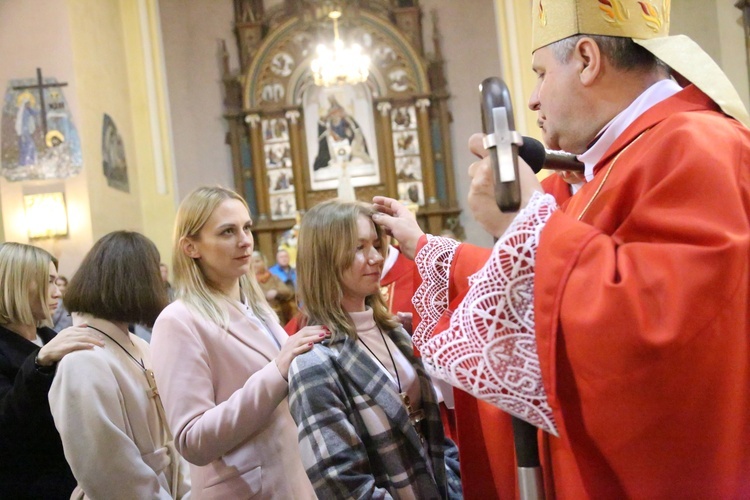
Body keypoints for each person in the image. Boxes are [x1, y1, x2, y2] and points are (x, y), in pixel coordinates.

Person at [372, 1, 750, 497]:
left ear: (588, 59)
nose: (531, 99)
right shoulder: (590, 171)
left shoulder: (699, 146)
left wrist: (526, 221)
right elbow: (549, 288)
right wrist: (427, 246)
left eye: (541, 73)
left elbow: (665, 336)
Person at [150, 186, 325, 498]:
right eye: (227, 231)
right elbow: (193, 439)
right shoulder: (178, 321)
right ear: (191, 247)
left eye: (247, 227)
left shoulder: (257, 307)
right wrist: (277, 371)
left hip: (294, 480)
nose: (245, 240)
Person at [287, 200, 462, 499]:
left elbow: (437, 434)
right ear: (325, 258)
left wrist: (453, 487)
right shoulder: (314, 361)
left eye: (375, 244)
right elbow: (341, 482)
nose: (376, 258)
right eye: (358, 248)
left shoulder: (394, 331)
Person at [48, 231, 191, 499]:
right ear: (136, 280)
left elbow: (170, 440)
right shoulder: (83, 360)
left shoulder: (141, 346)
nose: (160, 282)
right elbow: (106, 467)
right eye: (153, 271)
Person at [0, 242, 103, 499]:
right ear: (16, 284)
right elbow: (8, 426)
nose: (57, 292)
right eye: (47, 282)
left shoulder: (51, 337)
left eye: (57, 282)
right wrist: (39, 364)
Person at [251, 251, 296, 325]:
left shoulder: (273, 277)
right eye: (251, 262)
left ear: (264, 261)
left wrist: (276, 292)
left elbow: (287, 292)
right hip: (262, 318)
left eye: (257, 261)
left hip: (281, 316)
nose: (254, 265)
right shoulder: (249, 281)